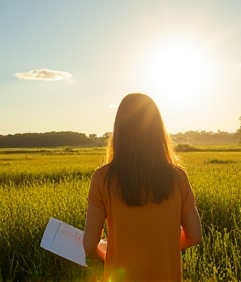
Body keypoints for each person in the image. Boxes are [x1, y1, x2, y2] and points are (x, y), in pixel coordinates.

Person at [83, 93, 202, 282]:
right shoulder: (178, 177)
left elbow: (89, 245)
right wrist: (160, 250)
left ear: (119, 129)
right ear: (157, 130)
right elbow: (194, 235)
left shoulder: (102, 178)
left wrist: (108, 254)